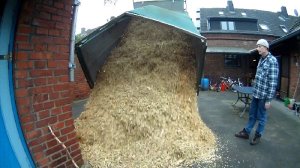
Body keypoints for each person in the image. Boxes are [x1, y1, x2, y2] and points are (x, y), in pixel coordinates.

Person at [235, 39, 279, 145]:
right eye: (257, 46)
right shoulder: (261, 59)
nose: (257, 48)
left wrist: (269, 100)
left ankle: (258, 135)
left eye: (259, 46)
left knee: (262, 116)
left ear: (265, 47)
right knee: (252, 114)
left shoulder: (272, 61)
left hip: (264, 96)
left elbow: (273, 83)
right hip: (256, 93)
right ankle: (247, 132)